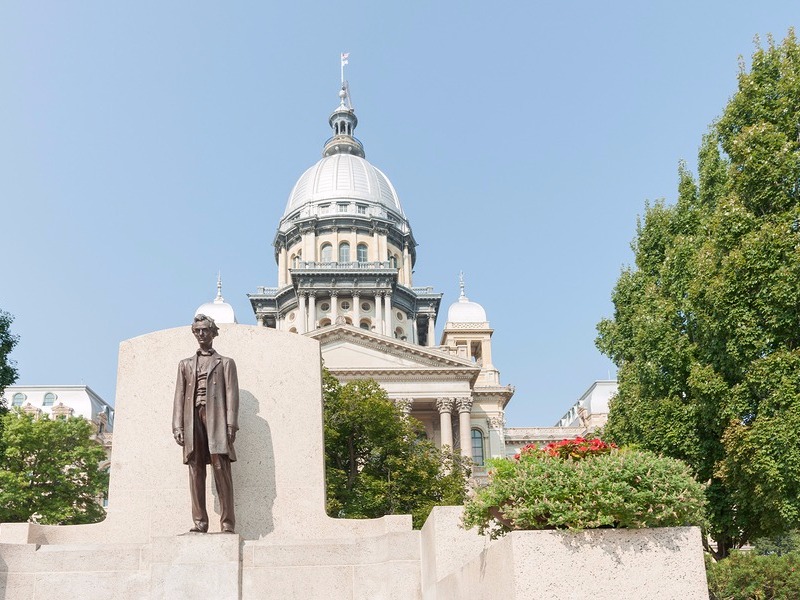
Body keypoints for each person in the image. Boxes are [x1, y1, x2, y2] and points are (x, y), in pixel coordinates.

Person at [172, 314, 239, 533]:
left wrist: (231, 425)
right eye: (197, 330)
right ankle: (199, 522)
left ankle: (227, 523)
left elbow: (231, 394)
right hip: (192, 419)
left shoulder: (226, 363)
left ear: (213, 333)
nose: (201, 334)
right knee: (195, 469)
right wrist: (177, 426)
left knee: (221, 468)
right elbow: (179, 397)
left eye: (205, 330)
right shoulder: (185, 364)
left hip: (216, 419)